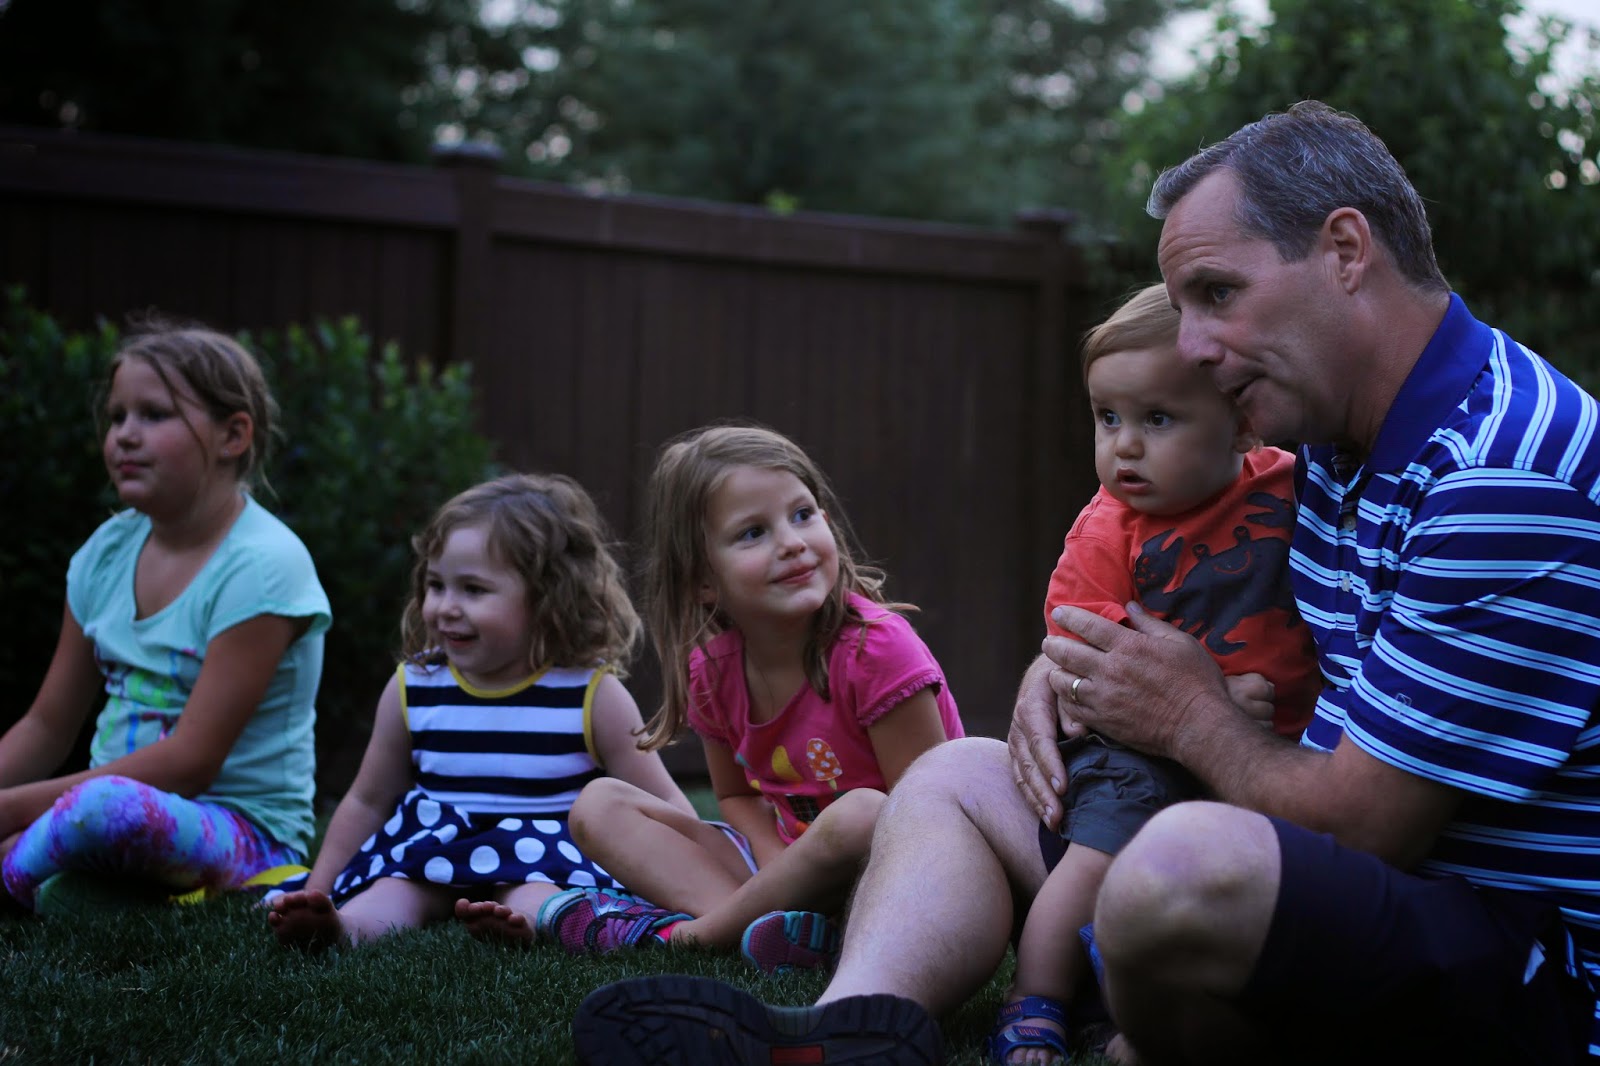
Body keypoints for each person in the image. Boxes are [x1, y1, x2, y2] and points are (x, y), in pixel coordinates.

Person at [568, 100, 1599, 1066]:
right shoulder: (1333, 443)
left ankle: (1136, 1000)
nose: (1192, 347)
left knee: (1181, 867)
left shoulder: (1498, 478)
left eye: (1218, 295)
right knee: (956, 775)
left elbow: (1365, 826)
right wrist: (1069, 673)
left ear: (1343, 251)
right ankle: (848, 1029)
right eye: (1182, 307)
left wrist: (1186, 715)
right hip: (1333, 875)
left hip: (1520, 955)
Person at [989, 282, 1319, 1065]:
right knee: (1101, 855)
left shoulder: (1288, 485)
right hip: (1134, 749)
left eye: (1157, 420)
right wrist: (1216, 698)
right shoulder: (1109, 528)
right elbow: (1086, 647)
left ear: (1243, 423)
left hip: (1276, 754)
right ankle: (1035, 996)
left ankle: (1133, 999)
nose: (1125, 447)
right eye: (1108, 418)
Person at [538, 423, 965, 974]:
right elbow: (736, 796)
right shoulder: (712, 670)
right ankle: (778, 931)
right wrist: (780, 867)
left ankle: (689, 938)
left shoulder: (876, 650)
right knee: (598, 805)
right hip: (787, 866)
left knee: (861, 812)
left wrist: (798, 869)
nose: (791, 542)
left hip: (897, 874)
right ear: (703, 580)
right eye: (753, 533)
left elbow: (924, 817)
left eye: (802, 515)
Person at [268, 473, 694, 949]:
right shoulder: (415, 686)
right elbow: (368, 800)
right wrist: (319, 886)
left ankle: (525, 923)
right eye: (436, 585)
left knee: (538, 895)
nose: (445, 607)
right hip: (435, 848)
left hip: (543, 857)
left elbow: (660, 800)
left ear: (548, 597)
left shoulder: (591, 694)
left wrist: (707, 870)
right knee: (393, 890)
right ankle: (344, 927)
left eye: (472, 589)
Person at [0, 322, 331, 914]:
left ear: (233, 435)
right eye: (117, 416)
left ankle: (19, 870)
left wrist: (11, 808)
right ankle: (83, 889)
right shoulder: (104, 555)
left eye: (154, 415)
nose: (125, 435)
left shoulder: (263, 566)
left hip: (243, 833)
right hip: (114, 820)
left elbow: (191, 762)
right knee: (93, 827)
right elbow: (47, 726)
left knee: (104, 808)